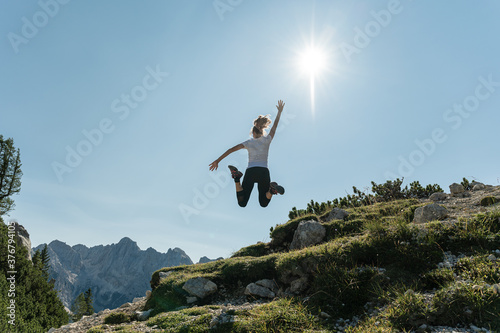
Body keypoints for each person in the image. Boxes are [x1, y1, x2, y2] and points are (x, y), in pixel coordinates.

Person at [209, 100, 286, 207]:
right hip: (263, 172)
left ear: (253, 133)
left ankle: (236, 178)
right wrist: (279, 112)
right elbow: (275, 127)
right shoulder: (267, 139)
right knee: (263, 203)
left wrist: (218, 160)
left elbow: (231, 149)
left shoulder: (248, 143)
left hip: (251, 171)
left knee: (242, 202)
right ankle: (272, 190)